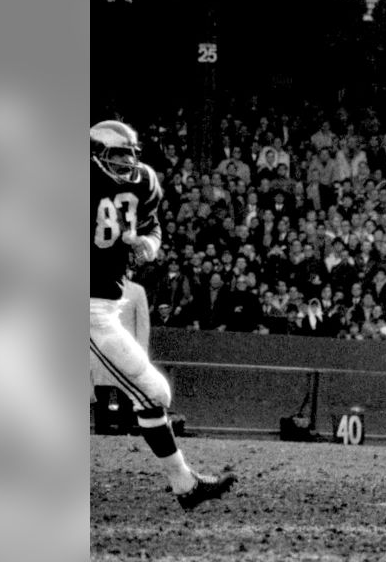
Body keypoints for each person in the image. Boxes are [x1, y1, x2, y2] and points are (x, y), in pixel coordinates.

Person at [90, 121, 237, 509]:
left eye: (128, 154)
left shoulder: (144, 182)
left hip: (107, 303)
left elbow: (153, 229)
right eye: (114, 155)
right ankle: (185, 485)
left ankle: (185, 484)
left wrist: (147, 247)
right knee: (154, 393)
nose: (124, 162)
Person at [91, 278, 150, 434]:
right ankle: (101, 436)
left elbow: (143, 326)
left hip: (126, 353)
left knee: (126, 398)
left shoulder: (137, 291)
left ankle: (126, 437)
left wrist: (141, 357)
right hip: (100, 352)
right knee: (101, 397)